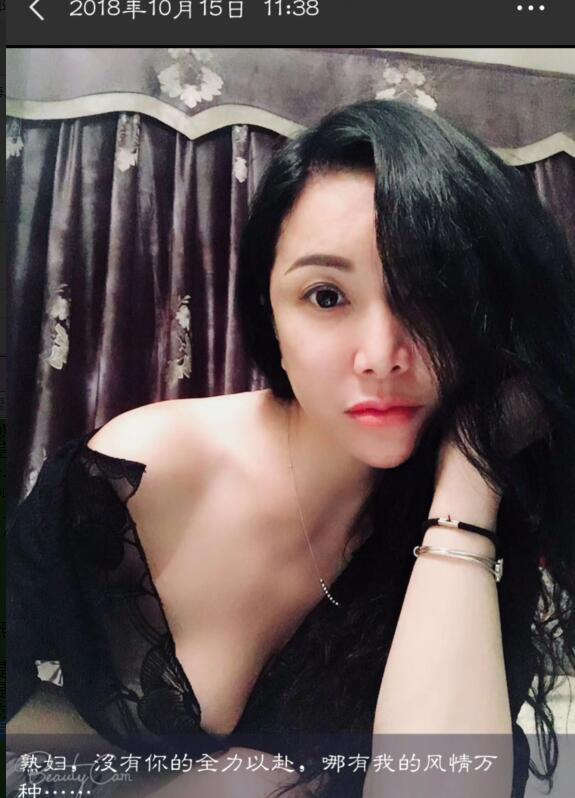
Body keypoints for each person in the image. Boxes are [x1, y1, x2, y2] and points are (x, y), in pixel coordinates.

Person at [7, 100, 575, 798]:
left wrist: (467, 482)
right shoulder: (145, 472)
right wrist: (172, 784)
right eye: (327, 296)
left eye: (430, 296)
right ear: (267, 312)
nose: (380, 355)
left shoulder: (467, 502)